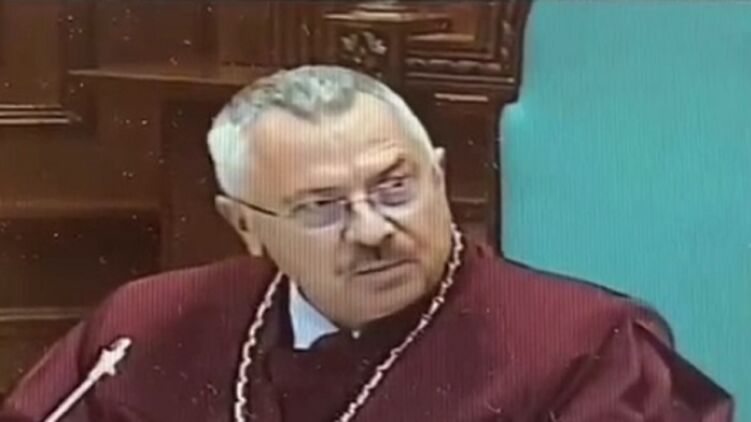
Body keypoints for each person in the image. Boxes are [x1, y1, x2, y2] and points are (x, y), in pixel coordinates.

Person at [0, 65, 733, 422]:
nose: (374, 230)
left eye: (395, 188)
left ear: (439, 176)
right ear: (246, 225)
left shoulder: (585, 347)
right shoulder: (147, 328)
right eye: (321, 208)